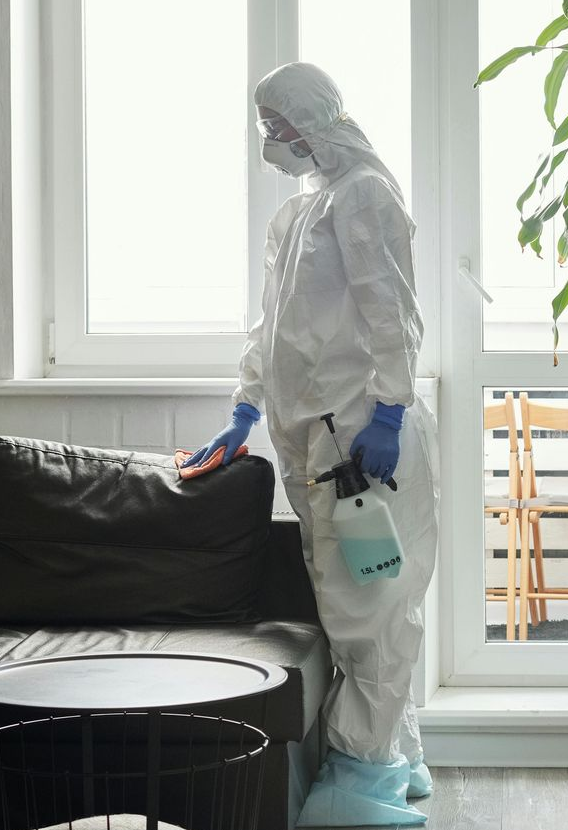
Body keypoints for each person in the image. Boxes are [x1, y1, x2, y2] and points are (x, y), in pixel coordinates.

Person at [183, 62, 439, 827]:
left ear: (311, 119)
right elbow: (273, 323)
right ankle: (397, 752)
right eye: (265, 127)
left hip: (363, 444)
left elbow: (391, 311)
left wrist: (390, 411)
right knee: (349, 602)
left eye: (278, 125)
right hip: (312, 444)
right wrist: (243, 405)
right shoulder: (298, 213)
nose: (272, 140)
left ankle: (361, 779)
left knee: (373, 608)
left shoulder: (363, 193)